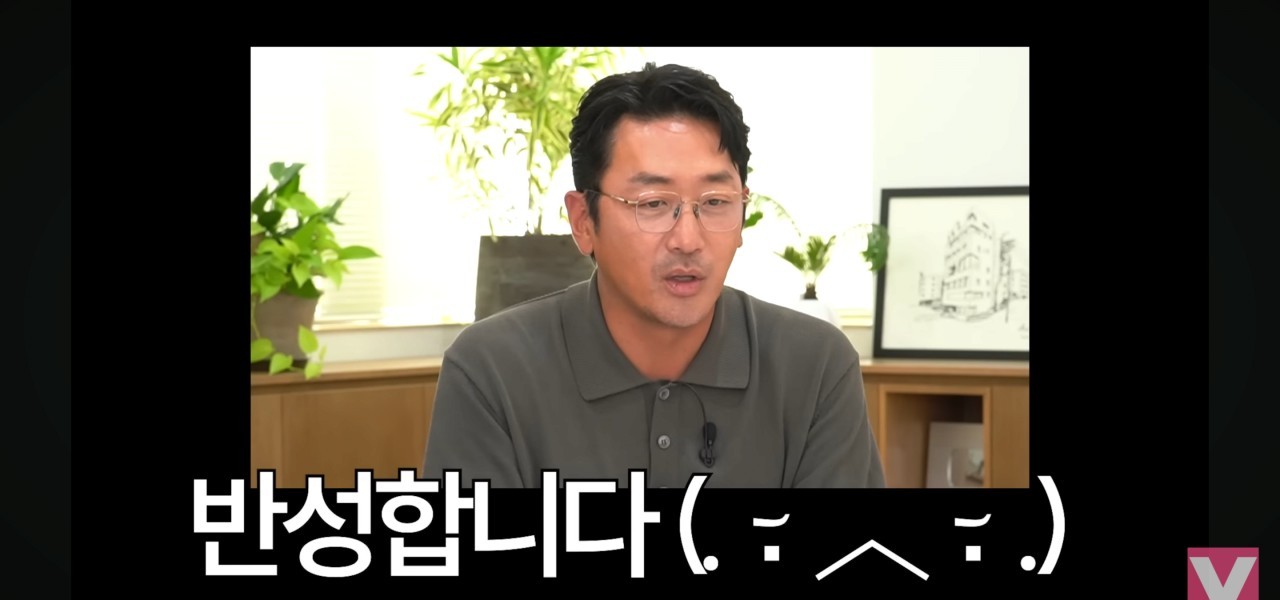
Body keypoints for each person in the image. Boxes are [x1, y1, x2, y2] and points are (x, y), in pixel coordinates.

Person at [423, 62, 885, 488]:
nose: (688, 239)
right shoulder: (492, 370)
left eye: (715, 202)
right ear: (583, 221)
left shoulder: (816, 368)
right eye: (653, 204)